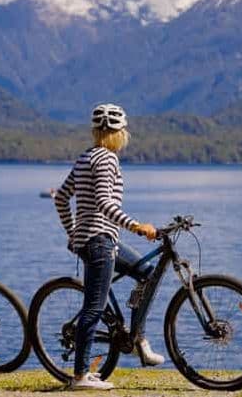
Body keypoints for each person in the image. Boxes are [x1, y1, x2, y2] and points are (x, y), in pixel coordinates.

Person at [54, 103, 161, 390]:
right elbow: (105, 203)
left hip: (97, 239)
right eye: (123, 131)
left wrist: (72, 233)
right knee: (94, 308)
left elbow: (60, 198)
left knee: (146, 272)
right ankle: (80, 376)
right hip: (100, 241)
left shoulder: (85, 157)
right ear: (118, 133)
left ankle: (137, 338)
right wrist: (136, 226)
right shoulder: (107, 160)